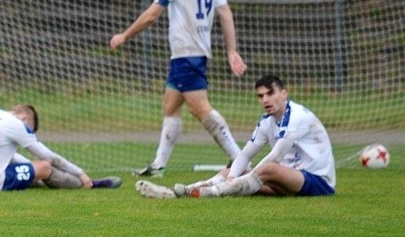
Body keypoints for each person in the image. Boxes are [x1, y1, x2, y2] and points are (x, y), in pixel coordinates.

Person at [109, 0, 246, 177]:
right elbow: (226, 13)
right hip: (192, 52)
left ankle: (240, 160)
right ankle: (159, 165)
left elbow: (152, 15)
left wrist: (124, 35)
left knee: (199, 109)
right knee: (171, 105)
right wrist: (231, 51)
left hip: (187, 52)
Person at [137, 75, 336, 199]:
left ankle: (211, 194)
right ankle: (184, 191)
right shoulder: (267, 121)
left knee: (266, 169)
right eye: (260, 96)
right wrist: (232, 177)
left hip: (318, 182)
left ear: (284, 93)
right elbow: (246, 154)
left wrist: (241, 178)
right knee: (231, 170)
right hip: (290, 180)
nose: (265, 99)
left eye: (270, 93)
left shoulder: (297, 116)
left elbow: (275, 156)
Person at [0, 105, 123, 192]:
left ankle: (44, 180)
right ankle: (88, 184)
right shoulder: (17, 124)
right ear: (25, 118)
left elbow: (7, 157)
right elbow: (49, 157)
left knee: (36, 170)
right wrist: (80, 172)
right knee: (45, 167)